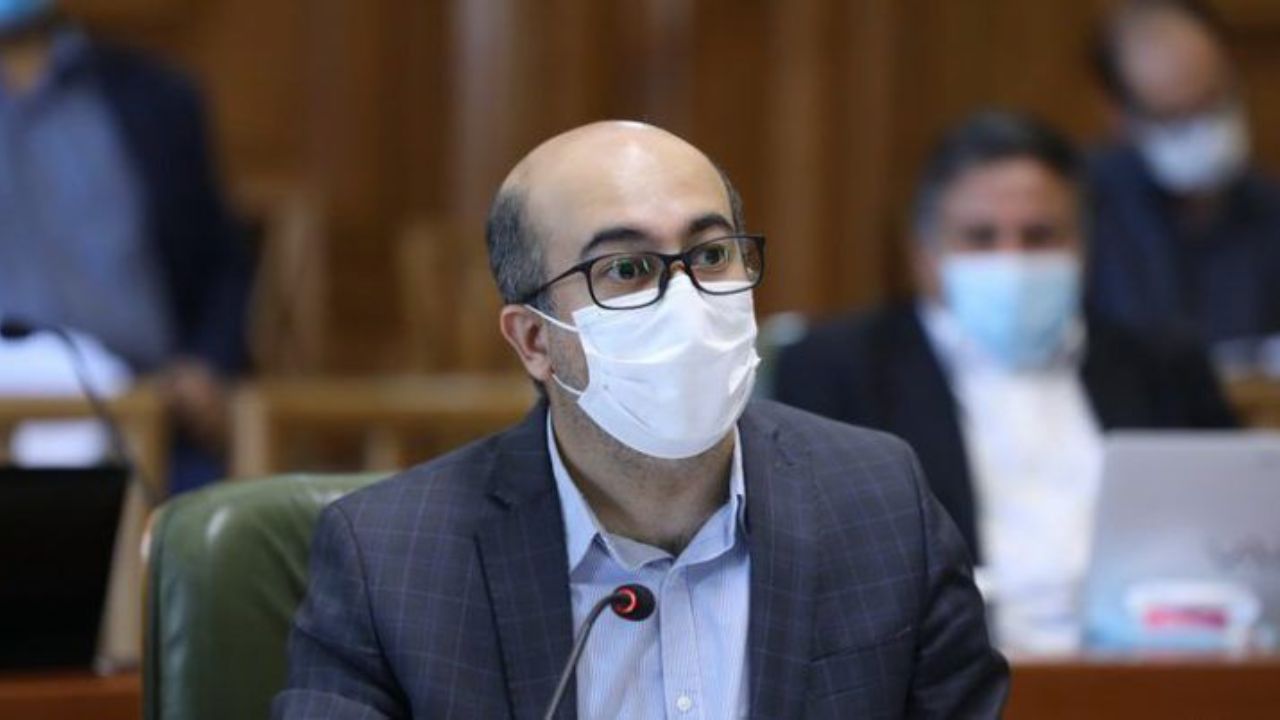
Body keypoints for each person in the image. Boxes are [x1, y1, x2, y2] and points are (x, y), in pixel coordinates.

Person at [276, 121, 1007, 718]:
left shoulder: (882, 507)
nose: (686, 299)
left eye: (711, 254)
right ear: (534, 341)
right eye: (625, 270)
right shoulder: (392, 563)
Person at [775, 111, 1236, 653]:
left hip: (1146, 671)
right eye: (981, 237)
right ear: (925, 252)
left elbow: (1228, 543)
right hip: (946, 678)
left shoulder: (1163, 365)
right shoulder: (840, 370)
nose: (1012, 259)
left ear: (1084, 246)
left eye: (1040, 236)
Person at [0, 0, 250, 489]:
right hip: (5, 418)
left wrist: (206, 365)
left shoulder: (154, 96)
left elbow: (222, 262)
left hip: (144, 418)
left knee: (207, 523)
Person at [1089, 0, 1280, 356]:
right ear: (1119, 115)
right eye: (1173, 117)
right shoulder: (1082, 212)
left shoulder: (1270, 208)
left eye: (1212, 102)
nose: (1201, 130)